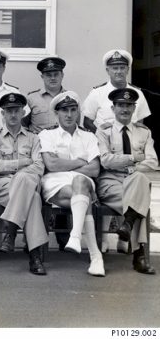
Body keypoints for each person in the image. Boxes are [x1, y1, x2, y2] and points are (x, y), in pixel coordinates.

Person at [38, 91, 105, 277]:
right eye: (64, 110)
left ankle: (75, 236)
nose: (69, 115)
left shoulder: (88, 137)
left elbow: (95, 170)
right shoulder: (47, 135)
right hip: (55, 185)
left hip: (82, 183)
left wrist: (65, 166)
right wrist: (80, 162)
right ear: (57, 113)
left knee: (80, 182)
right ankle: (95, 256)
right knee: (83, 198)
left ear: (78, 112)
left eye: (73, 110)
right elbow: (51, 165)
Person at [96, 88, 157, 274]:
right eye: (121, 105)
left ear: (134, 108)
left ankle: (127, 224)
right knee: (139, 200)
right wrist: (133, 158)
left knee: (139, 179)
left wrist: (129, 167)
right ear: (113, 108)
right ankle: (139, 255)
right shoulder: (104, 131)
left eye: (129, 105)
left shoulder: (144, 132)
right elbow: (105, 160)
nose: (125, 109)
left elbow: (153, 162)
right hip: (111, 183)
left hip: (134, 180)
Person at [0, 93, 48, 275]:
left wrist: (19, 174)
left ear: (23, 112)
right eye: (9, 111)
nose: (13, 114)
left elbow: (39, 166)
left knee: (25, 182)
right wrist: (22, 164)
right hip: (4, 187)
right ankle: (34, 255)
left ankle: (11, 231)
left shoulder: (34, 138)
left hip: (27, 183)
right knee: (34, 198)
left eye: (16, 110)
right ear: (3, 114)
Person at [22, 56, 70, 250]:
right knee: (36, 193)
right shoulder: (32, 98)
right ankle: (32, 240)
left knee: (65, 187)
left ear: (62, 75)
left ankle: (63, 238)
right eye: (48, 74)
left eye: (56, 74)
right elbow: (24, 126)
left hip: (62, 154)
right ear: (42, 76)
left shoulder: (70, 97)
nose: (52, 78)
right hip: (39, 153)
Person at [82, 49, 150, 133]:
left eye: (122, 68)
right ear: (108, 71)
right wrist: (104, 137)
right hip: (105, 143)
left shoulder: (138, 93)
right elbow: (87, 122)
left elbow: (140, 122)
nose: (119, 71)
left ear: (128, 70)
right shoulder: (96, 93)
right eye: (115, 68)